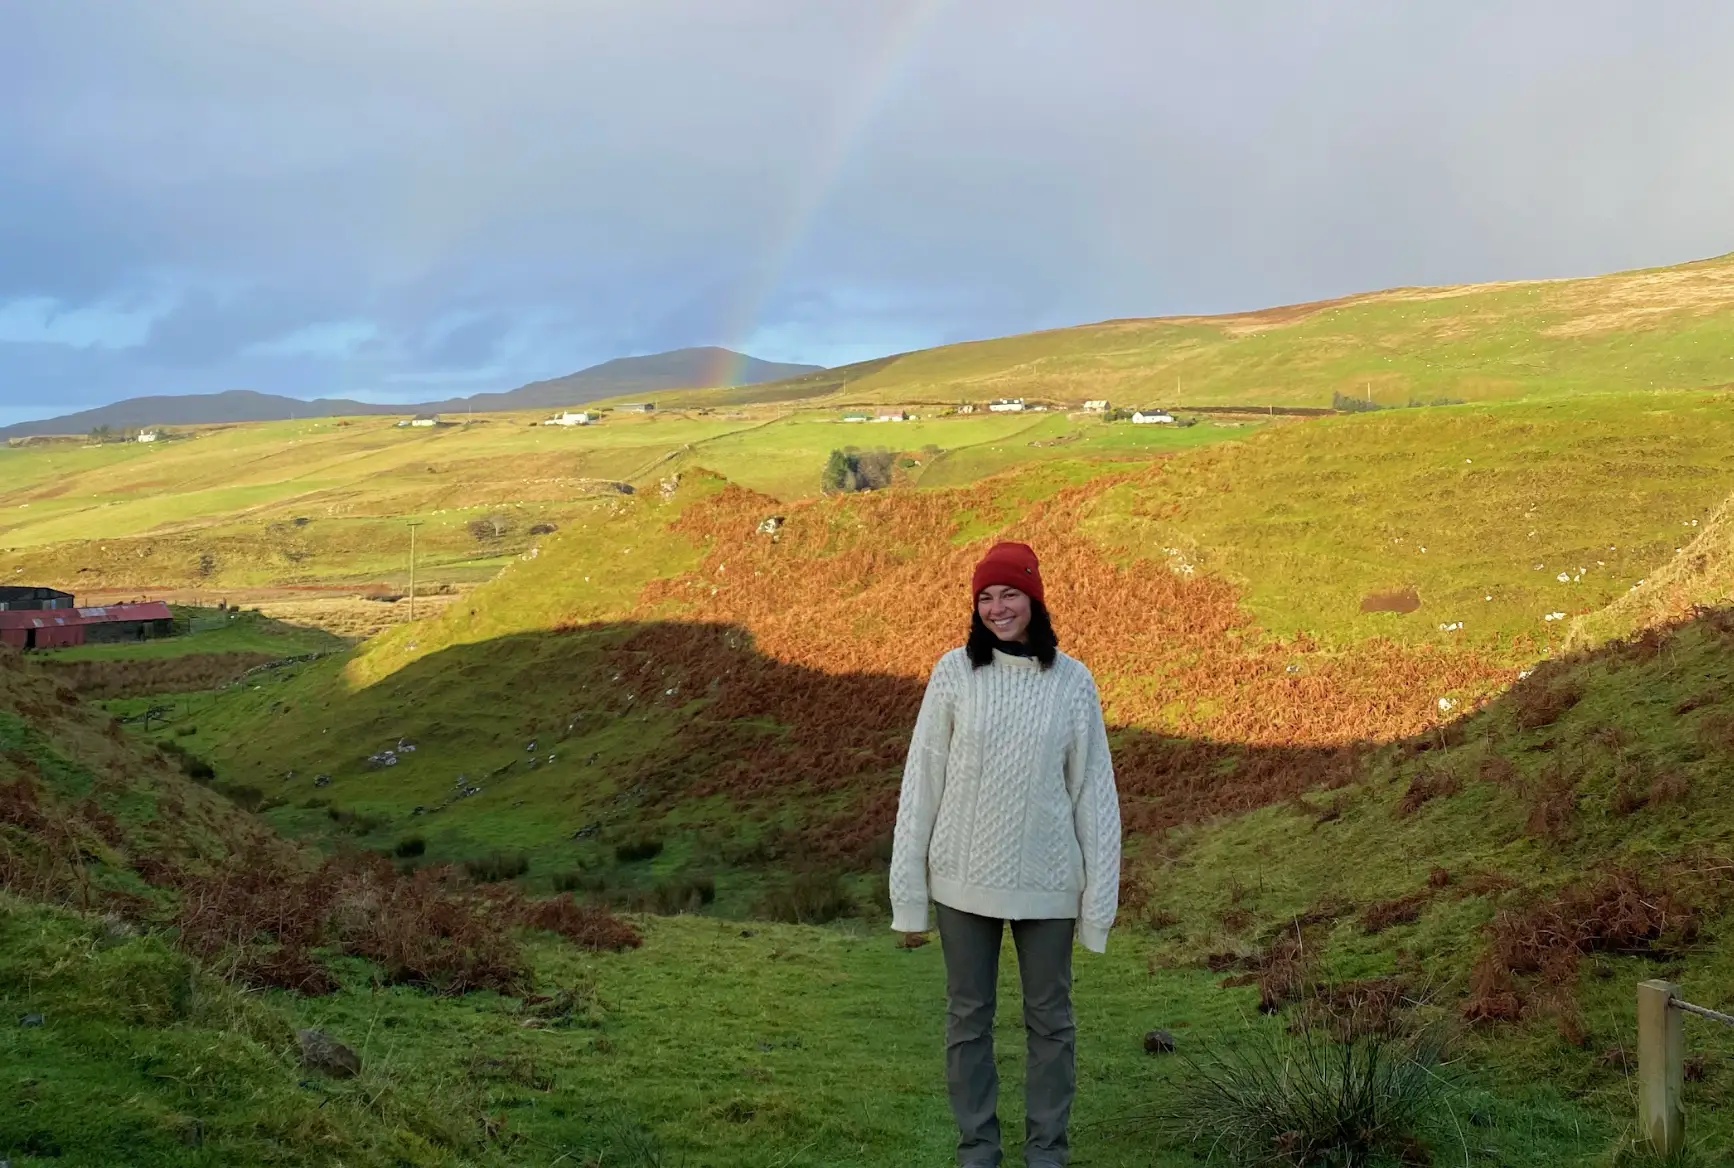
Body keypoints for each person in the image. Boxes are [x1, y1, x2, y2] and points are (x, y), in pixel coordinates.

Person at [889, 541, 1121, 1168]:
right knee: (968, 1021)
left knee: (1051, 1023)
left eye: (1009, 594)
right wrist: (909, 899)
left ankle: (1047, 1153)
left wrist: (1097, 907)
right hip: (962, 883)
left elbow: (1092, 796)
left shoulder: (1073, 682)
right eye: (985, 597)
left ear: (1034, 598)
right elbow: (923, 783)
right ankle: (978, 1152)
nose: (997, 608)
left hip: (1048, 882)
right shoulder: (952, 674)